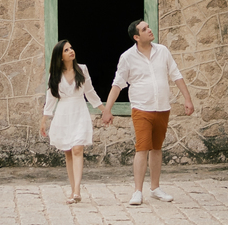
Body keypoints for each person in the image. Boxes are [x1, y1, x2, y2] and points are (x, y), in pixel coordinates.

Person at [101, 19, 194, 205]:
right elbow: (118, 84)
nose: (149, 30)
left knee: (157, 148)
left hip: (162, 107)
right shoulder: (127, 57)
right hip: (141, 108)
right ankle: (137, 191)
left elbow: (176, 74)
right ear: (136, 37)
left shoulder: (163, 51)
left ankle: (155, 188)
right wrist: (107, 109)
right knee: (142, 148)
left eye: (148, 27)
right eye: (144, 29)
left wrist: (187, 99)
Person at [40, 39, 102, 204]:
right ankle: (73, 188)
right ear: (60, 56)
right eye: (66, 50)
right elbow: (51, 98)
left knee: (77, 149)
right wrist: (44, 119)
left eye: (71, 48)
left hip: (79, 112)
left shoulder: (82, 69)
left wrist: (104, 109)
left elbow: (90, 91)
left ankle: (77, 190)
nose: (71, 51)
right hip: (63, 114)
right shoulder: (55, 75)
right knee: (68, 152)